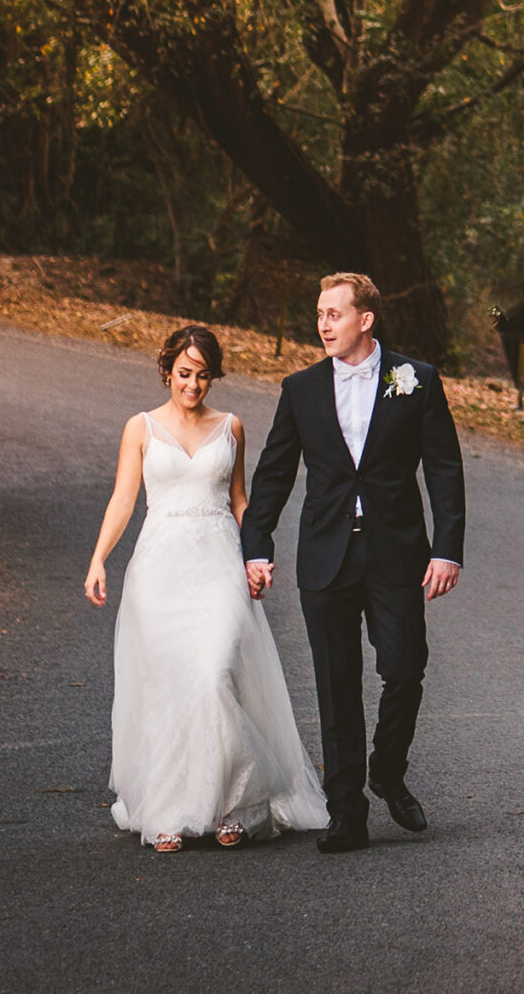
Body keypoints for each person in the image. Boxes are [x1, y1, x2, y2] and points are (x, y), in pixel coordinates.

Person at [239, 272, 465, 855]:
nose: (323, 324)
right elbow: (274, 474)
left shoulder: (416, 381)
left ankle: (387, 770)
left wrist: (446, 549)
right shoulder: (301, 389)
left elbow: (443, 469)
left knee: (405, 666)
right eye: (319, 313)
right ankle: (347, 811)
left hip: (396, 552)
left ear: (365, 319)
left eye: (334, 313)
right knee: (336, 685)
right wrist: (256, 543)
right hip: (326, 554)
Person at [85, 322, 327, 853]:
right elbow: (124, 499)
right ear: (167, 371)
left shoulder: (231, 427)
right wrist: (99, 559)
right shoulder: (141, 427)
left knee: (215, 672)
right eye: (184, 374)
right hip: (160, 569)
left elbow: (241, 501)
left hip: (219, 562)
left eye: (203, 376)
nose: (193, 386)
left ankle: (238, 801)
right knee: (171, 685)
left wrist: (257, 556)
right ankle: (169, 807)